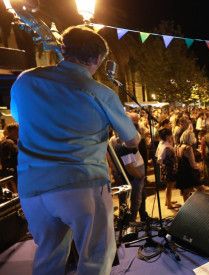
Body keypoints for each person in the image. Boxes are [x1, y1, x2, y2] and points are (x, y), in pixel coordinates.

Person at [10, 26, 140, 274]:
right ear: (99, 59)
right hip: (81, 184)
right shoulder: (100, 93)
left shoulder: (26, 80)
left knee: (48, 254)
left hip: (32, 187)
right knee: (96, 255)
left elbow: (19, 117)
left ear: (63, 49)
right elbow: (131, 140)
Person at [176, 130, 204, 202]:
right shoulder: (188, 148)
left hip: (182, 171)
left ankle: (186, 208)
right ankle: (199, 205)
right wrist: (199, 168)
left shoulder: (178, 146)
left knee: (186, 192)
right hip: (189, 172)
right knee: (201, 189)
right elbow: (192, 164)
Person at [157, 128, 180, 209]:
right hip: (168, 168)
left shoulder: (161, 143)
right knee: (170, 186)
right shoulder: (167, 147)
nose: (172, 137)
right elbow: (170, 159)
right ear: (167, 136)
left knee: (168, 185)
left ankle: (167, 201)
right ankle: (169, 204)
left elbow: (158, 157)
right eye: (170, 135)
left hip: (164, 167)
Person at [0, 123, 19, 193]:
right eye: (18, 130)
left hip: (10, 173)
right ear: (12, 131)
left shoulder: (10, 142)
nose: (19, 133)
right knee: (15, 194)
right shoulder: (8, 143)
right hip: (12, 174)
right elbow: (7, 161)